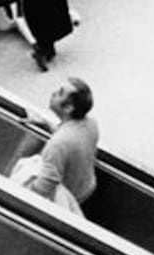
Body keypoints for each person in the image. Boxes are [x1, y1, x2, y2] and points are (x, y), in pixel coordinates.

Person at [15, 78, 99, 214]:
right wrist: (46, 124)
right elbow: (73, 138)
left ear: (68, 108)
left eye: (60, 93)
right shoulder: (91, 124)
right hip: (87, 189)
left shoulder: (57, 145)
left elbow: (44, 187)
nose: (53, 93)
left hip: (71, 201)